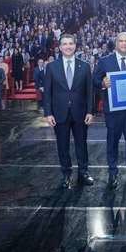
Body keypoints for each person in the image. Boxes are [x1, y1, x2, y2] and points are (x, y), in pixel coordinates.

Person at [93, 32, 126, 189]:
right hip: (113, 112)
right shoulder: (104, 61)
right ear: (116, 44)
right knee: (112, 143)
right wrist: (102, 82)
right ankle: (112, 172)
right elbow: (94, 79)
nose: (123, 44)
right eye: (121, 41)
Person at [43, 34, 95, 189]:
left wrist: (90, 112)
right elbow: (47, 92)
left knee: (82, 145)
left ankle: (83, 172)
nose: (68, 46)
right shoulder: (51, 67)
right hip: (59, 113)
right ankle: (66, 174)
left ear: (75, 45)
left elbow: (90, 92)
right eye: (64, 44)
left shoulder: (85, 66)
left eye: (70, 43)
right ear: (60, 47)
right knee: (62, 146)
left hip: (80, 113)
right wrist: (48, 113)